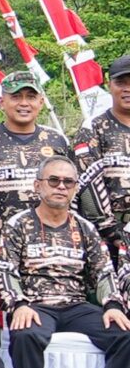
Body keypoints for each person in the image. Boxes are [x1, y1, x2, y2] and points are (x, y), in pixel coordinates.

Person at [0, 159, 130, 368]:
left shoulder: (85, 227)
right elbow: (6, 270)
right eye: (54, 180)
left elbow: (104, 270)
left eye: (68, 182)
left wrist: (112, 304)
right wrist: (18, 304)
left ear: (75, 189)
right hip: (35, 302)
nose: (61, 187)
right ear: (38, 186)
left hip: (74, 304)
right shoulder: (18, 224)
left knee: (124, 333)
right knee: (26, 334)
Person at [0, 72, 81, 262]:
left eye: (31, 97)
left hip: (52, 246)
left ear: (41, 102)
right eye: (16, 97)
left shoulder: (57, 140)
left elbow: (72, 195)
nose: (24, 103)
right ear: (2, 102)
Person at [74, 53, 130, 260]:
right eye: (121, 83)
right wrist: (112, 232)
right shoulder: (93, 128)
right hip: (107, 237)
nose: (127, 89)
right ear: (109, 84)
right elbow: (86, 185)